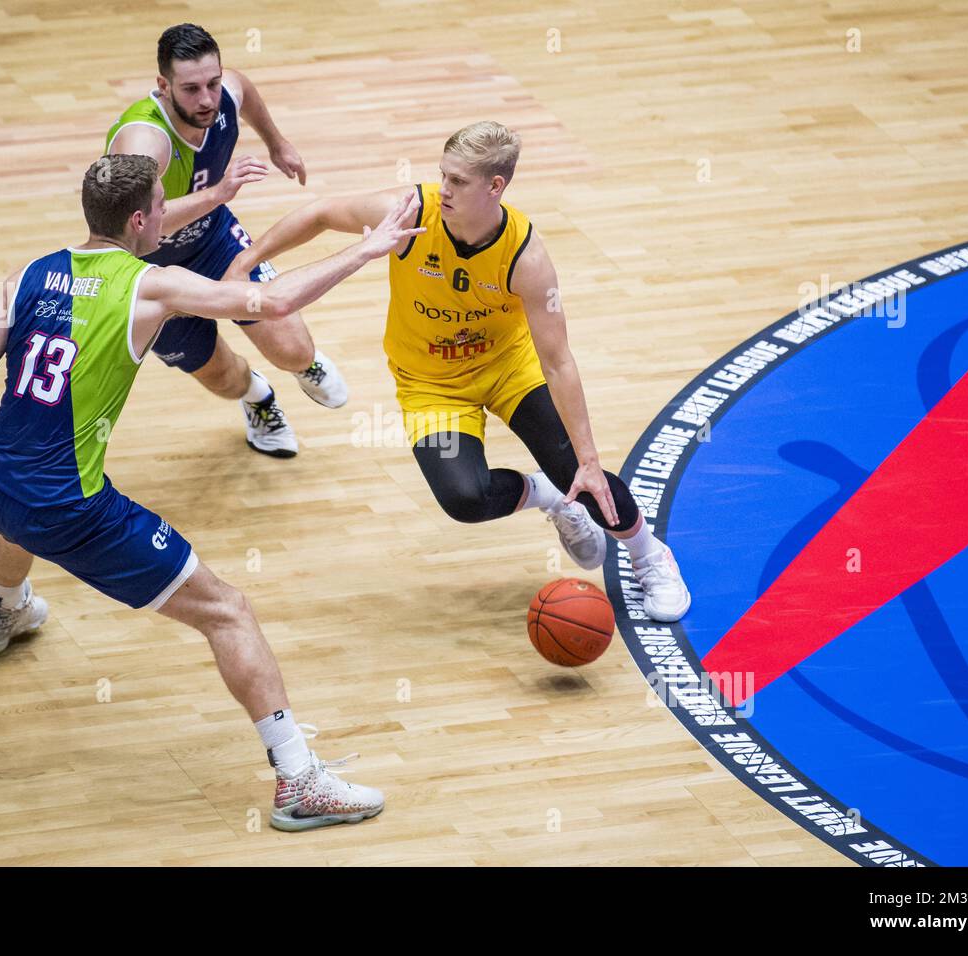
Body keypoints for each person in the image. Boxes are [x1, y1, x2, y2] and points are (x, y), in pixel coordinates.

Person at [0, 154, 425, 830]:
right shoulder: (154, 286)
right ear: (140, 220)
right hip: (71, 507)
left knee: (17, 512)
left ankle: (6, 608)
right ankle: (298, 780)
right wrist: (368, 250)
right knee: (227, 610)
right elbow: (273, 301)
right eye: (161, 207)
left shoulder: (29, 272)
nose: (168, 215)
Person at [226, 122, 691, 621]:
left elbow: (558, 361)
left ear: (496, 186)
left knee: (581, 473)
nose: (444, 190)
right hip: (431, 383)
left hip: (508, 369)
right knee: (465, 499)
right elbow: (319, 212)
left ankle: (649, 554)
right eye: (443, 175)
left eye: (459, 182)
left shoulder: (525, 256)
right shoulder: (410, 213)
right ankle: (548, 496)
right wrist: (246, 260)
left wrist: (589, 458)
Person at [106, 22, 343, 457]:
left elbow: (244, 90)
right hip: (151, 274)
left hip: (213, 240)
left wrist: (277, 142)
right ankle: (258, 398)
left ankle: (301, 366)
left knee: (293, 350)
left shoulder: (225, 92)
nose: (207, 99)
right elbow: (132, 222)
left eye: (212, 83)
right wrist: (217, 193)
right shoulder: (143, 142)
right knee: (222, 380)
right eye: (191, 88)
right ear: (163, 85)